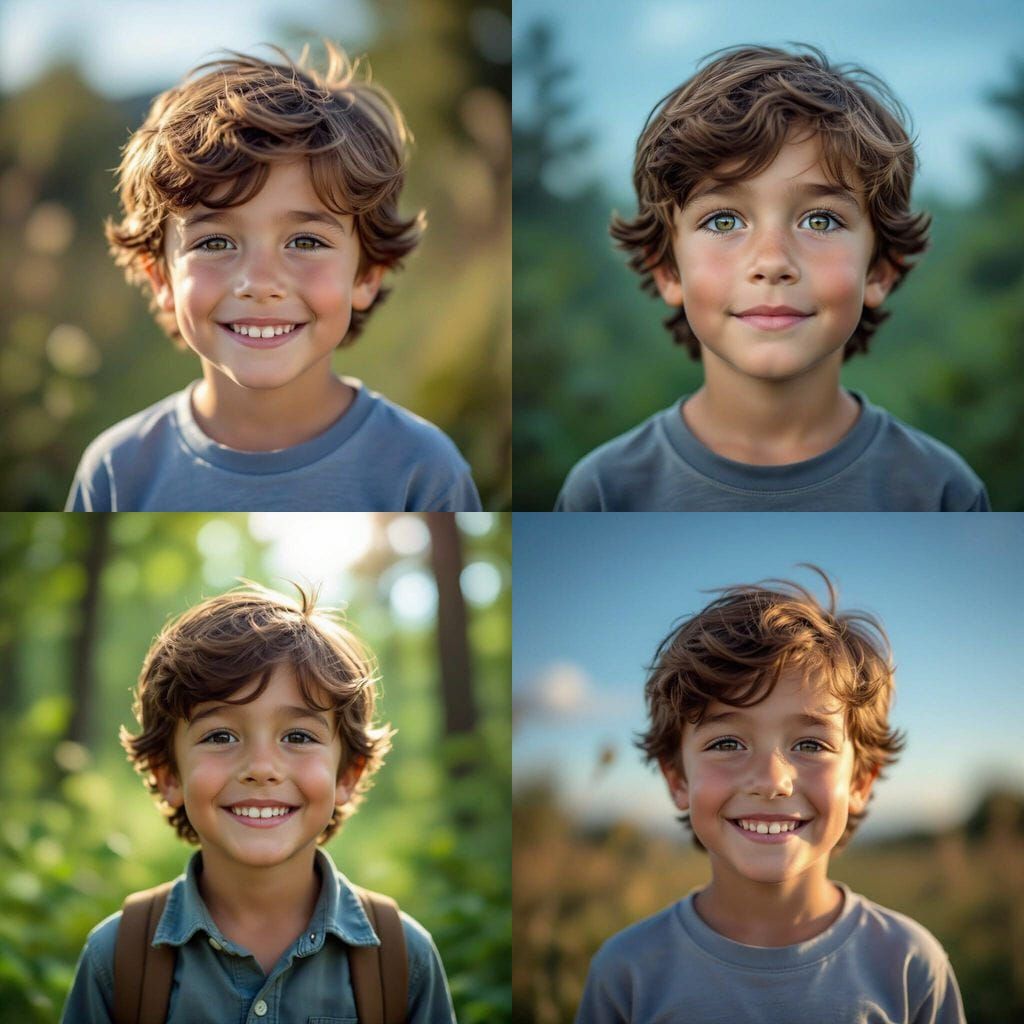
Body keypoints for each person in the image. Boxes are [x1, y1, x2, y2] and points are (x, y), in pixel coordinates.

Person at [555, 44, 989, 511]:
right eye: (724, 221)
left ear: (879, 270)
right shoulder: (604, 491)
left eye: (820, 221)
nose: (772, 260)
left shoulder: (942, 491)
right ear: (667, 270)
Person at [65, 42, 481, 511]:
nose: (260, 282)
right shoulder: (117, 472)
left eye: (304, 242)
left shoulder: (423, 470)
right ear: (160, 278)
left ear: (366, 275)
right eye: (216, 243)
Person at [577, 568, 966, 1023]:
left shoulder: (910, 965)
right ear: (677, 779)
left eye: (811, 745)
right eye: (727, 744)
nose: (771, 780)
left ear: (861, 782)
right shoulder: (626, 972)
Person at [61, 583, 456, 1022]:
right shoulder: (117, 957)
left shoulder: (403, 959)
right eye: (220, 736)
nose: (262, 767)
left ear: (348, 775)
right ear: (168, 774)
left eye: (298, 736)